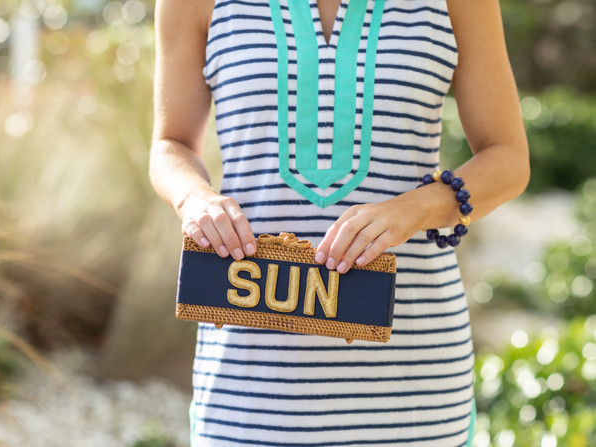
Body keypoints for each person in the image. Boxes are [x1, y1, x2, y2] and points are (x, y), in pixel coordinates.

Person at [150, 0, 530, 445]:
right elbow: (171, 143)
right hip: (249, 391)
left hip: (415, 391)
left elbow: (507, 158)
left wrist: (413, 208)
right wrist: (194, 197)